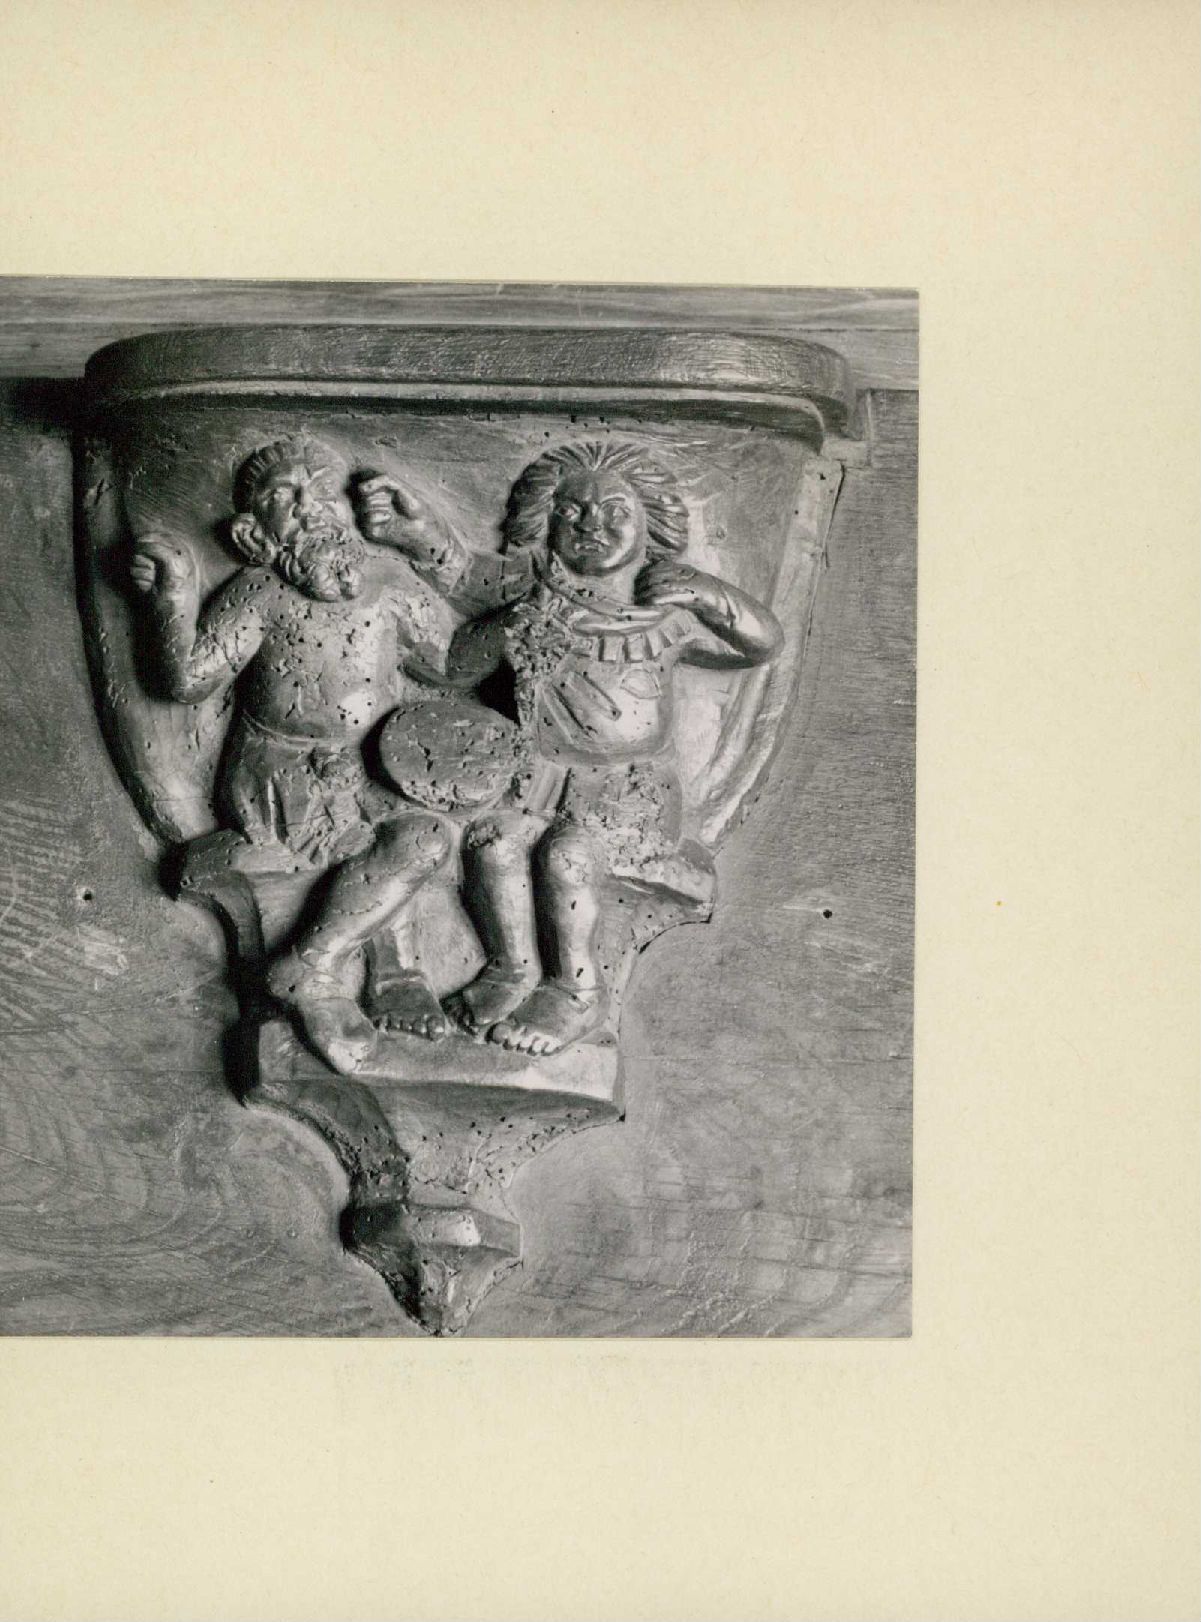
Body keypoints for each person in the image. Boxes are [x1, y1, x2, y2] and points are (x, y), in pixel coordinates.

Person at [362, 440, 783, 1057]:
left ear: (651, 525)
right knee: (494, 843)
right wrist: (416, 532)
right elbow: (466, 577)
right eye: (571, 512)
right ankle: (511, 969)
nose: (591, 525)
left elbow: (761, 642)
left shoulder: (663, 610)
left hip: (626, 788)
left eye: (616, 512)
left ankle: (575, 989)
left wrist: (704, 591)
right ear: (545, 521)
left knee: (568, 858)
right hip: (535, 775)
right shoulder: (531, 591)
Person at [131, 436, 461, 1073]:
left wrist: (513, 625)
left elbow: (448, 666)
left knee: (417, 830)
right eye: (286, 497)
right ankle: (320, 975)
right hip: (282, 773)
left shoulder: (391, 583)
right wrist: (172, 596)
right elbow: (189, 680)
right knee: (406, 841)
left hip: (379, 761)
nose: (311, 507)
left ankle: (375, 970)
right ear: (254, 533)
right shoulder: (259, 592)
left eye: (323, 490)